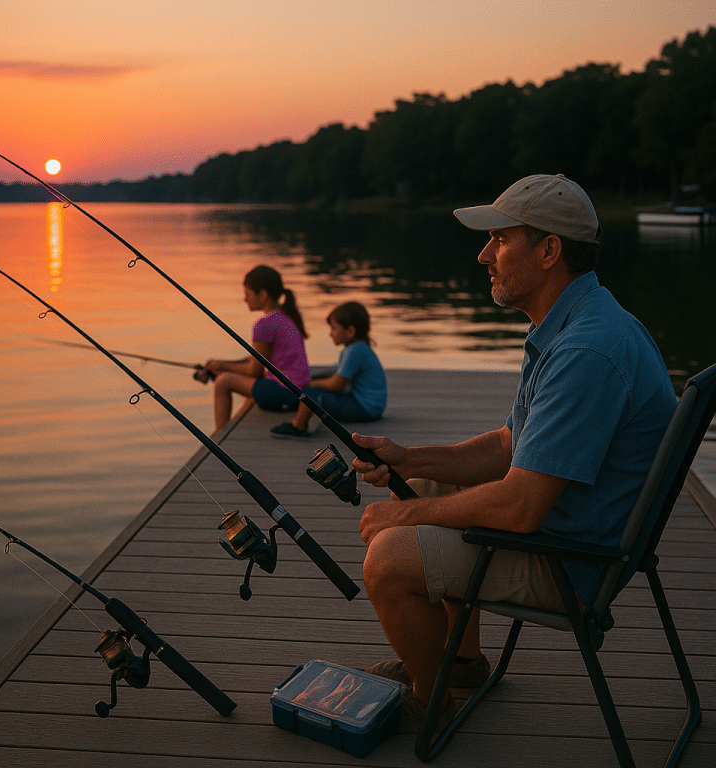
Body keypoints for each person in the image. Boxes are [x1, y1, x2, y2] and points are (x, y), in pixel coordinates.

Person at [350, 173, 677, 733]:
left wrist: (401, 517)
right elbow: (508, 445)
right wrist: (409, 461)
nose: (484, 255)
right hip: (572, 528)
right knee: (423, 488)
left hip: (572, 561)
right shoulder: (578, 320)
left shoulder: (586, 351)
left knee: (387, 558)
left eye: (501, 240)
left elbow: (520, 507)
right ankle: (463, 665)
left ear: (550, 250)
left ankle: (432, 699)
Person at [195, 265, 311, 431]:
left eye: (248, 294)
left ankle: (218, 437)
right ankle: (230, 428)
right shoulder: (287, 315)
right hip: (300, 392)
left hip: (284, 392)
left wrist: (222, 368)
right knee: (249, 391)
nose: (245, 299)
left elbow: (254, 371)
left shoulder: (263, 324)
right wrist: (221, 363)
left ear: (262, 294)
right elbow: (257, 360)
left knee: (223, 382)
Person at [270, 301, 387, 439]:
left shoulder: (355, 351)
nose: (330, 334)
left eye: (333, 329)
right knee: (314, 384)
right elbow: (338, 374)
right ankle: (301, 413)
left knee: (311, 394)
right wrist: (313, 380)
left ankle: (298, 426)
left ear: (350, 331)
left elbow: (337, 384)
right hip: (371, 407)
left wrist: (312, 385)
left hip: (366, 409)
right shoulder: (358, 348)